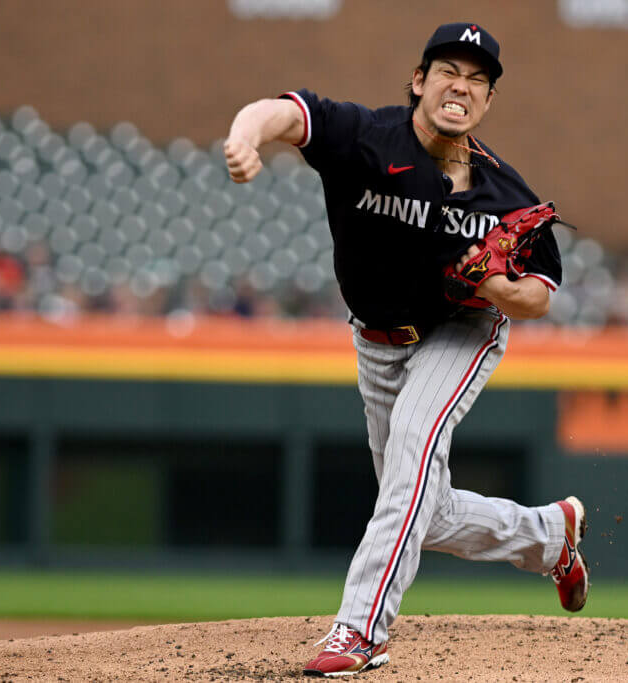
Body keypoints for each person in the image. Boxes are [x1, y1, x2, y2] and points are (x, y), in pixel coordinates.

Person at [223, 22, 589, 677]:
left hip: (462, 332)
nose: (463, 84)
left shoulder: (504, 193)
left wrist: (496, 281)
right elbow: (284, 113)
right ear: (420, 81)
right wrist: (245, 137)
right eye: (450, 69)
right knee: (425, 505)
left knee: (410, 464)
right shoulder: (365, 138)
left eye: (479, 79)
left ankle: (359, 629)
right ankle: (549, 535)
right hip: (376, 338)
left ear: (486, 103)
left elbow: (539, 296)